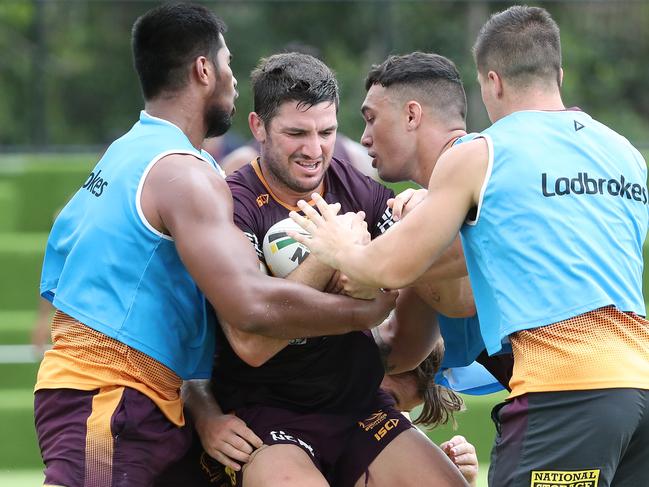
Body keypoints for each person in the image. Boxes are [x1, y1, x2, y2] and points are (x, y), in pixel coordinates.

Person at [33, 4, 395, 487]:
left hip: (139, 395)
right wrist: (363, 309)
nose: (234, 78)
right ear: (204, 70)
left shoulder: (127, 152)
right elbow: (248, 306)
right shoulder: (184, 172)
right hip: (109, 394)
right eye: (227, 64)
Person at [291, 6, 649, 487]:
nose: (365, 138)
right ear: (559, 75)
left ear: (492, 82)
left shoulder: (481, 154)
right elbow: (417, 335)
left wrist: (335, 245)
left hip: (566, 388)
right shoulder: (626, 153)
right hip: (639, 388)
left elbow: (389, 269)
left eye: (372, 118)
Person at [179, 52, 468, 487]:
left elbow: (434, 268)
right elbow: (252, 343)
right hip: (266, 418)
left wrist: (428, 210)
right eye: (297, 133)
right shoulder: (230, 204)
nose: (315, 151)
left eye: (327, 132)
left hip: (360, 407)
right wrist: (329, 259)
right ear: (258, 127)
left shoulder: (356, 188)